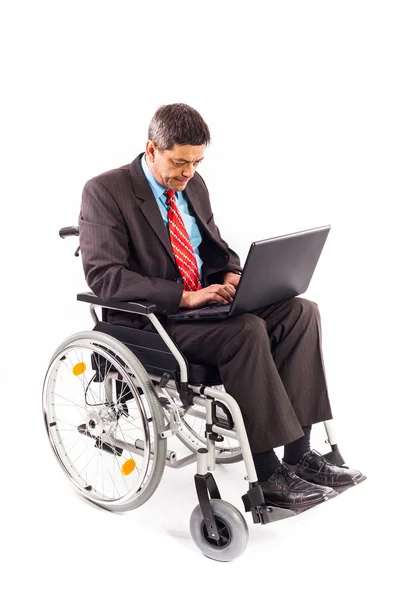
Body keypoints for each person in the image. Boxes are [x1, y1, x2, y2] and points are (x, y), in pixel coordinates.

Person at [79, 103, 365, 511]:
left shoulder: (194, 185)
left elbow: (214, 246)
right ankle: (268, 476)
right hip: (153, 323)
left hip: (204, 310)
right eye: (179, 162)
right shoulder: (105, 191)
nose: (188, 172)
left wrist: (233, 274)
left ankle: (300, 455)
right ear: (151, 148)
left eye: (196, 162)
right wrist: (184, 296)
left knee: (302, 312)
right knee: (246, 331)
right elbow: (105, 277)